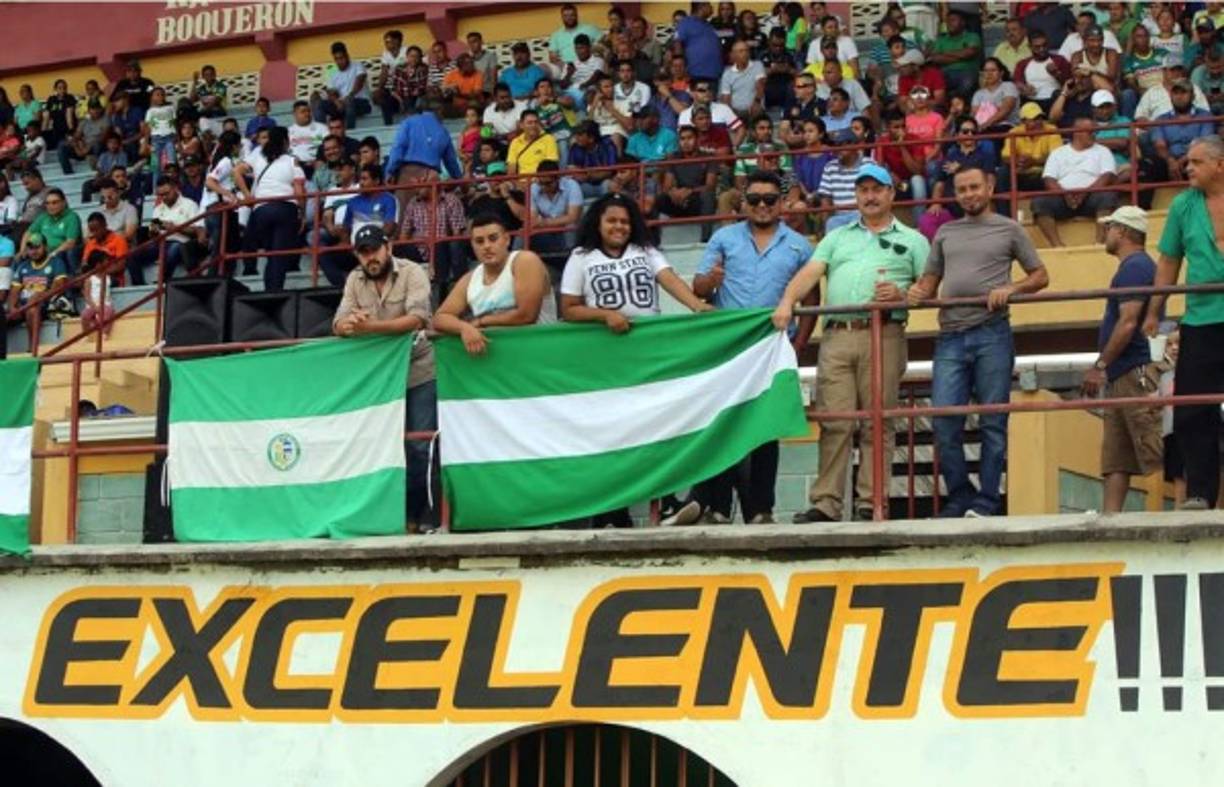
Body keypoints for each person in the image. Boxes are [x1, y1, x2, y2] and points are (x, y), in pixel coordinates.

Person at [775, 164, 927, 523]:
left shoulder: (914, 240)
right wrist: (787, 302)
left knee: (878, 422)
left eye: (877, 189)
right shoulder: (837, 237)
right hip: (837, 336)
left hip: (884, 335)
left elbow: (929, 287)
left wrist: (903, 294)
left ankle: (870, 503)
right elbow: (810, 272)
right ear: (856, 196)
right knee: (835, 420)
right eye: (863, 190)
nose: (870, 196)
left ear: (891, 194)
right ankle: (826, 504)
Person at [908, 166, 1048, 517]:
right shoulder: (945, 232)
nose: (968, 194)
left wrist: (1010, 289)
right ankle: (959, 497)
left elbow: (1041, 276)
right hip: (950, 336)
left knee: (992, 422)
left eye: (974, 186)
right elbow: (929, 282)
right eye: (961, 189)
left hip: (992, 333)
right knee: (943, 421)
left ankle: (986, 501)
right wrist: (914, 292)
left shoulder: (1010, 228)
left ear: (989, 186)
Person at [691, 170, 814, 524]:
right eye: (755, 199)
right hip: (728, 349)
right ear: (743, 202)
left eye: (770, 200)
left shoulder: (799, 246)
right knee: (723, 423)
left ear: (782, 203)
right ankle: (716, 507)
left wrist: (800, 343)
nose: (762, 206)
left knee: (766, 427)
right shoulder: (723, 239)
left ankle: (761, 509)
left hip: (771, 350)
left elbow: (812, 298)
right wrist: (708, 282)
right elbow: (699, 290)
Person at [332, 224, 438, 531]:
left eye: (374, 250)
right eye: (363, 253)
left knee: (420, 445)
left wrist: (369, 327)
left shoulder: (412, 272)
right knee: (381, 445)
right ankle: (394, 515)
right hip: (378, 379)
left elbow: (418, 319)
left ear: (388, 247)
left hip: (418, 370)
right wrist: (348, 324)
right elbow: (338, 322)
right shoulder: (354, 279)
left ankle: (424, 515)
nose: (370, 258)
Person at [1143, 135, 1224, 510]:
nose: (1186, 167)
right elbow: (1169, 262)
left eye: (1195, 162)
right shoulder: (1182, 205)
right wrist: (1154, 310)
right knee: (1192, 410)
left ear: (1219, 165)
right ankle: (1200, 495)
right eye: (1186, 161)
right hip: (1202, 318)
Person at [1080, 206, 1164, 513]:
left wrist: (1100, 366)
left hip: (1133, 371)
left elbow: (1128, 322)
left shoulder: (1134, 267)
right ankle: (1110, 519)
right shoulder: (1135, 267)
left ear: (1124, 231)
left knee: (1155, 445)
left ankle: (1200, 506)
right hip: (1123, 373)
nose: (1105, 232)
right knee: (1118, 456)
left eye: (1110, 227)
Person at [433, 212, 557, 357]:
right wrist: (464, 328)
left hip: (537, 353)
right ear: (472, 246)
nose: (486, 246)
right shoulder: (469, 279)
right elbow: (440, 317)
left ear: (506, 239)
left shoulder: (524, 260)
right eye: (479, 241)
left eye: (493, 238)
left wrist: (481, 322)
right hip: (494, 364)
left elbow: (526, 316)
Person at [235, 127, 306, 289]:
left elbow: (236, 171)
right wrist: (301, 214)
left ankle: (254, 273)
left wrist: (248, 196)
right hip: (286, 209)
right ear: (285, 142)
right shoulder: (292, 160)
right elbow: (299, 190)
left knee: (269, 252)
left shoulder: (258, 158)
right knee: (278, 256)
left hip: (261, 210)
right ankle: (274, 294)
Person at [1032, 117, 1119, 246]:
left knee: (1107, 197)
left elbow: (1107, 176)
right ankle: (1057, 246)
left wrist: (1085, 193)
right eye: (1090, 132)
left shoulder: (1103, 151)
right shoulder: (1058, 153)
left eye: (1095, 131)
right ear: (1077, 132)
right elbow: (1049, 179)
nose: (1094, 135)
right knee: (1039, 203)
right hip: (1063, 198)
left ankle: (1100, 243)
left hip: (1092, 197)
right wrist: (1064, 194)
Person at [383, 108, 463, 221]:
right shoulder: (443, 130)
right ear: (438, 112)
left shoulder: (409, 122)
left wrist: (390, 171)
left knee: (403, 216)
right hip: (432, 176)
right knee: (429, 218)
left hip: (408, 173)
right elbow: (451, 162)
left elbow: (398, 148)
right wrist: (459, 179)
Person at [126, 176, 204, 286]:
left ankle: (162, 281)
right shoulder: (158, 209)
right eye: (160, 195)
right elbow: (152, 235)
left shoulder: (189, 204)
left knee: (173, 249)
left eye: (166, 193)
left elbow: (196, 230)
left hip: (181, 242)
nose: (164, 197)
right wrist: (153, 231)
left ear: (175, 188)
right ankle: (139, 285)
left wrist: (174, 228)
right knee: (132, 256)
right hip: (160, 242)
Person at [656, 124, 718, 239]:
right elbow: (667, 185)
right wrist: (673, 192)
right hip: (679, 200)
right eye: (682, 139)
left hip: (698, 201)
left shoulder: (709, 157)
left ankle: (705, 240)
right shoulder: (674, 158)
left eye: (690, 138)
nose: (686, 142)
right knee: (658, 199)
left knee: (707, 196)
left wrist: (690, 191)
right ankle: (653, 241)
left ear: (697, 139)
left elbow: (710, 185)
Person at [1151, 79, 1219, 182]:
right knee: (1150, 164)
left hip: (1198, 157)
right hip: (1170, 162)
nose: (1179, 97)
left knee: (1207, 156)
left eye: (1184, 92)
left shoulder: (1205, 115)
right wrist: (1171, 161)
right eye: (1176, 93)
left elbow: (1204, 143)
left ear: (1193, 96)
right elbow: (1160, 145)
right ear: (1170, 96)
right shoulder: (1160, 119)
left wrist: (1181, 161)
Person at [6, 233, 67, 347]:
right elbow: (14, 290)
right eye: (31, 248)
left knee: (32, 310)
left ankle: (32, 348)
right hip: (22, 307)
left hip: (44, 305)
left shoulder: (55, 262)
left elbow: (60, 285)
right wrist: (12, 307)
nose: (34, 251)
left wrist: (41, 296)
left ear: (46, 247)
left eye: (37, 247)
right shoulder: (23, 266)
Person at [998, 102, 1064, 195]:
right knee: (1003, 172)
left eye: (1040, 118)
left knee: (1055, 172)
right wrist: (1018, 161)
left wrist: (1034, 161)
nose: (1038, 122)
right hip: (1021, 173)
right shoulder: (1014, 132)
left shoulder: (1051, 129)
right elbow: (1005, 156)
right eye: (1033, 119)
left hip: (1042, 175)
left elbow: (1058, 156)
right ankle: (1004, 209)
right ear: (1023, 121)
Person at [21, 188, 81, 274]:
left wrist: (53, 253)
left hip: (59, 252)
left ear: (63, 203)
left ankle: (71, 282)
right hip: (42, 251)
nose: (50, 206)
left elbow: (70, 242)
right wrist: (23, 250)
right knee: (19, 257)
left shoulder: (72, 217)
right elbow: (28, 233)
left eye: (54, 202)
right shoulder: (43, 217)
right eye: (47, 203)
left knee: (63, 255)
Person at [313, 42, 371, 129]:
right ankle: (322, 133)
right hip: (342, 106)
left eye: (341, 58)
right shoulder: (331, 71)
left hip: (361, 103)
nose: (339, 61)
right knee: (320, 104)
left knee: (349, 101)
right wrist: (336, 101)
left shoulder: (357, 65)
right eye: (336, 59)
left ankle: (349, 132)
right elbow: (331, 92)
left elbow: (359, 84)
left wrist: (347, 98)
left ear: (347, 56)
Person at [1013, 32, 1073, 113]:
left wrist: (1056, 74)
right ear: (1030, 47)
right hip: (1031, 102)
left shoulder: (1059, 60)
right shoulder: (1022, 64)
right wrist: (1024, 88)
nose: (1042, 49)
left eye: (1044, 45)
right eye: (1037, 47)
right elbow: (1017, 82)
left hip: (1054, 100)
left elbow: (1070, 84)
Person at [930, 9, 984, 98]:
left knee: (967, 83)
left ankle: (955, 100)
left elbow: (970, 53)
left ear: (963, 22)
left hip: (967, 71)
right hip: (945, 73)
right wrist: (961, 55)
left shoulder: (972, 36)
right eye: (947, 21)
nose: (949, 24)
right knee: (934, 82)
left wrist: (944, 53)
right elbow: (935, 58)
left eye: (953, 20)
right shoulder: (941, 39)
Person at [674, 2, 724, 84]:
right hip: (695, 74)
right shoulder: (686, 23)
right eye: (709, 5)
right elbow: (677, 45)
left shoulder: (709, 25)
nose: (712, 8)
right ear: (701, 6)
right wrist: (680, 69)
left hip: (715, 75)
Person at [719, 39, 766, 117]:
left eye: (746, 50)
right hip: (735, 111)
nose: (745, 53)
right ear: (734, 55)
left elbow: (760, 85)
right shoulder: (727, 74)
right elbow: (726, 98)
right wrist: (731, 114)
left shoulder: (758, 65)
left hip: (755, 108)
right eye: (741, 51)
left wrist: (757, 102)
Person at [81, 211, 129, 287]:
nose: (93, 233)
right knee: (70, 284)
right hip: (93, 277)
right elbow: (84, 264)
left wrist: (99, 273)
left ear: (105, 226)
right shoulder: (90, 243)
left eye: (96, 230)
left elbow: (120, 265)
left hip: (114, 278)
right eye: (91, 230)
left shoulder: (119, 240)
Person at [506, 109, 559, 176]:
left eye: (536, 122)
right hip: (521, 182)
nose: (533, 125)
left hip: (541, 180)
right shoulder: (515, 142)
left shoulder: (548, 139)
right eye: (530, 123)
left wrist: (534, 181)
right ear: (521, 125)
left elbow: (550, 167)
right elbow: (511, 168)